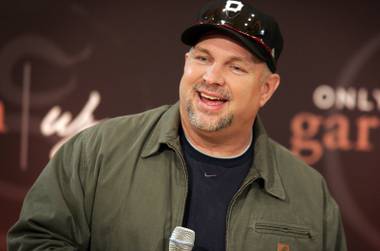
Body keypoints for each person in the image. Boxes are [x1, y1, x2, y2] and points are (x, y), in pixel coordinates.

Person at [8, 0, 347, 250]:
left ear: (267, 89)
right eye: (203, 58)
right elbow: (34, 241)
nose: (211, 78)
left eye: (236, 67)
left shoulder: (309, 194)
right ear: (186, 63)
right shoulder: (93, 153)